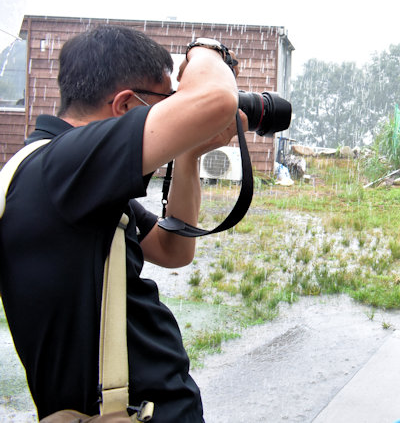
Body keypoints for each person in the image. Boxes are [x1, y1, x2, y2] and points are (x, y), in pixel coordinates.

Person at [0, 25, 245, 421]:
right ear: (126, 106)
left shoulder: (69, 176)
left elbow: (173, 249)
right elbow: (216, 100)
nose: (173, 111)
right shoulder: (65, 166)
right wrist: (205, 50)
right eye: (166, 101)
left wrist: (188, 154)